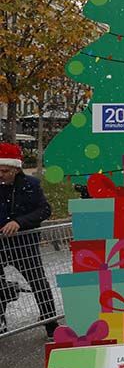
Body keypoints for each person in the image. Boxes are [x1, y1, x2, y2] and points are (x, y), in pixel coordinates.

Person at [0, 143, 56, 338]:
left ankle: (51, 322)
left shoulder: (30, 185)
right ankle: (1, 318)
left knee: (39, 282)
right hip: (1, 245)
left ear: (16, 169)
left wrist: (19, 222)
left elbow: (45, 210)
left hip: (24, 244)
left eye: (5, 171)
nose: (1, 175)